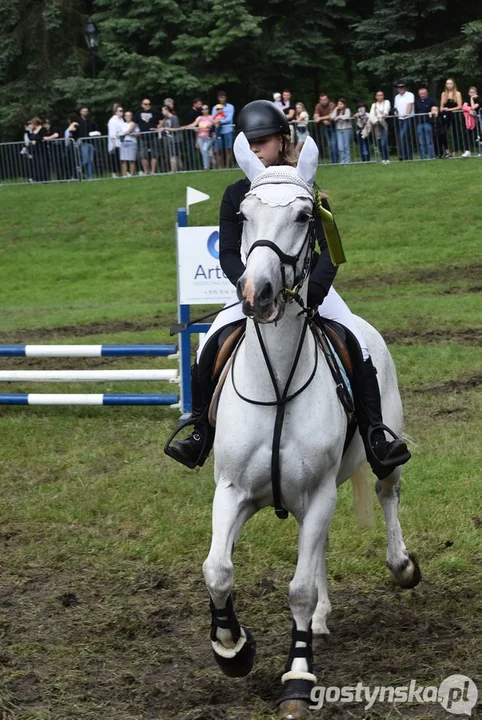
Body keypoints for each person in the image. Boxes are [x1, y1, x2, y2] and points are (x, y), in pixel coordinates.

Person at [165, 99, 411, 480]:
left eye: (263, 141)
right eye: (250, 143)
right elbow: (229, 252)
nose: (257, 148)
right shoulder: (236, 194)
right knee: (208, 345)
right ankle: (200, 429)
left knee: (357, 345)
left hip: (309, 289)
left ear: (282, 141)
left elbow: (332, 250)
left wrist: (315, 293)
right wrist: (245, 284)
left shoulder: (307, 188)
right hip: (256, 290)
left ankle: (376, 434)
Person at [134, 98, 162, 175]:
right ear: (142, 105)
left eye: (149, 104)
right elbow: (135, 123)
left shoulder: (155, 112)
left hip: (153, 136)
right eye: (146, 104)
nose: (148, 105)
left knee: (154, 154)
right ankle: (146, 171)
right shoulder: (138, 113)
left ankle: (153, 171)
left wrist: (158, 128)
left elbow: (162, 119)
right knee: (143, 154)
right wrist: (134, 132)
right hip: (143, 136)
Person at [184, 104, 215, 170]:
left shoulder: (211, 117)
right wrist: (188, 127)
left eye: (206, 108)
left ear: (208, 110)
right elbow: (193, 125)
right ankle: (209, 166)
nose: (204, 110)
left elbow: (216, 124)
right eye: (203, 109)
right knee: (204, 152)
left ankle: (206, 167)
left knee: (205, 150)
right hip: (200, 138)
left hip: (209, 137)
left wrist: (211, 125)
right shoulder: (199, 118)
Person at [71, 106, 97, 180]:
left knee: (90, 160)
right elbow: (74, 131)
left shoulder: (90, 121)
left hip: (90, 142)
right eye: (83, 111)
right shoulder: (78, 121)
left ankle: (90, 176)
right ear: (80, 112)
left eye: (86, 111)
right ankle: (78, 174)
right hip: (83, 142)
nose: (85, 112)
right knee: (84, 160)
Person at [211, 90, 235, 169]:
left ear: (226, 98)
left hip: (227, 129)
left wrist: (220, 121)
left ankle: (228, 167)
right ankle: (220, 167)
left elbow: (229, 118)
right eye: (220, 97)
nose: (222, 99)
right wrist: (217, 121)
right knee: (218, 149)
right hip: (218, 130)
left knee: (228, 149)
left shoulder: (230, 107)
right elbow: (213, 118)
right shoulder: (215, 108)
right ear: (218, 98)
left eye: (223, 97)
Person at [440, 78, 463, 155]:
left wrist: (449, 109)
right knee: (442, 132)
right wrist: (443, 109)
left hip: (454, 115)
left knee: (455, 133)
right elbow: (441, 107)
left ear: (453, 84)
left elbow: (460, 106)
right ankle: (447, 150)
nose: (449, 85)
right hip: (445, 116)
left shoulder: (457, 93)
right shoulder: (443, 94)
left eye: (450, 83)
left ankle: (455, 150)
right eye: (447, 83)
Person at [313, 93, 338, 164]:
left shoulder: (331, 105)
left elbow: (331, 115)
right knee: (330, 145)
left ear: (328, 100)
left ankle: (335, 161)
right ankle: (333, 161)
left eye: (325, 100)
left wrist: (321, 118)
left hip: (333, 126)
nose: (324, 101)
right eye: (322, 100)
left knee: (334, 144)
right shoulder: (318, 106)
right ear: (320, 101)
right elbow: (315, 116)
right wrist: (322, 119)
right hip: (325, 127)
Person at [393, 81, 414, 160]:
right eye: (399, 87)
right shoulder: (396, 97)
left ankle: (407, 155)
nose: (400, 89)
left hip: (408, 118)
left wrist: (407, 113)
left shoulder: (410, 95)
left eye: (402, 87)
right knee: (402, 137)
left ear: (405, 88)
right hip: (400, 119)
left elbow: (410, 104)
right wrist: (395, 112)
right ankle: (405, 155)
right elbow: (395, 107)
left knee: (403, 135)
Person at [414, 87, 436, 160]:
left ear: (427, 93)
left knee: (429, 141)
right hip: (419, 123)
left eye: (423, 93)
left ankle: (431, 156)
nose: (422, 95)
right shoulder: (417, 102)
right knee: (421, 142)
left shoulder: (431, 101)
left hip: (428, 123)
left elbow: (435, 110)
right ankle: (422, 157)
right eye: (421, 94)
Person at [369, 91, 390, 163]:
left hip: (383, 123)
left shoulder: (386, 102)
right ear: (376, 97)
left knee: (383, 142)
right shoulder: (373, 105)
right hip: (376, 124)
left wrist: (384, 114)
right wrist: (375, 120)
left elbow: (386, 110)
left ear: (383, 96)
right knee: (379, 141)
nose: (380, 97)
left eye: (381, 95)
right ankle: (383, 158)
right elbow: (371, 114)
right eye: (378, 95)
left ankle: (386, 158)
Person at [27, 117, 49, 182]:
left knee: (42, 163)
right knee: (36, 164)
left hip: (42, 149)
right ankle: (37, 178)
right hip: (35, 149)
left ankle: (44, 178)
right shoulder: (33, 130)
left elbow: (43, 137)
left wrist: (36, 140)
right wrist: (28, 131)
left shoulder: (43, 129)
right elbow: (31, 137)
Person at [331, 98, 352, 164]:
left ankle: (347, 161)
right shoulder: (337, 110)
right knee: (340, 146)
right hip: (339, 130)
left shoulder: (347, 110)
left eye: (341, 104)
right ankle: (342, 160)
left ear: (344, 104)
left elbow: (347, 116)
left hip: (346, 129)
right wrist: (336, 109)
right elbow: (332, 117)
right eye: (338, 104)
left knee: (346, 146)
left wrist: (339, 117)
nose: (339, 105)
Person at [161, 105, 182, 172]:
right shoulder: (165, 119)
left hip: (176, 139)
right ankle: (176, 170)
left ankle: (176, 170)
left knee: (176, 156)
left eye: (163, 110)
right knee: (173, 155)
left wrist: (165, 128)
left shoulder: (174, 118)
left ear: (167, 110)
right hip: (170, 139)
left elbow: (176, 129)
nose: (162, 112)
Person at [461, 87, 480, 157]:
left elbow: (474, 107)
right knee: (467, 134)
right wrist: (470, 111)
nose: (472, 94)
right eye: (471, 92)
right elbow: (463, 107)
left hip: (477, 120)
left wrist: (472, 99)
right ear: (469, 93)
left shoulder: (479, 99)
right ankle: (467, 150)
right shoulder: (467, 99)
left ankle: (479, 150)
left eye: (473, 92)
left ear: (476, 93)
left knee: (478, 135)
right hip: (468, 120)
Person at [119, 111, 139, 176]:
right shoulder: (121, 124)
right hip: (123, 142)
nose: (128, 117)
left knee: (132, 159)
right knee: (123, 159)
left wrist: (131, 134)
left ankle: (132, 174)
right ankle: (124, 175)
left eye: (129, 115)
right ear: (124, 117)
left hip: (132, 142)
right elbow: (119, 133)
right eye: (126, 116)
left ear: (131, 116)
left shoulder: (134, 124)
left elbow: (138, 133)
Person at [184, 98, 203, 169]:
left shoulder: (200, 112)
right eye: (199, 104)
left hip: (200, 135)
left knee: (201, 150)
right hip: (191, 136)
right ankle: (191, 167)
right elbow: (189, 124)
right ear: (194, 104)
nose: (201, 106)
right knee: (191, 151)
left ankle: (201, 165)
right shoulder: (190, 113)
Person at [107, 104, 125, 177]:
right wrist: (113, 144)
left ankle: (122, 172)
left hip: (121, 141)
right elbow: (112, 132)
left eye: (122, 110)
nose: (122, 112)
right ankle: (114, 173)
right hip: (115, 142)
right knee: (114, 158)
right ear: (116, 112)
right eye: (120, 111)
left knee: (121, 158)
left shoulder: (121, 119)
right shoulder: (112, 120)